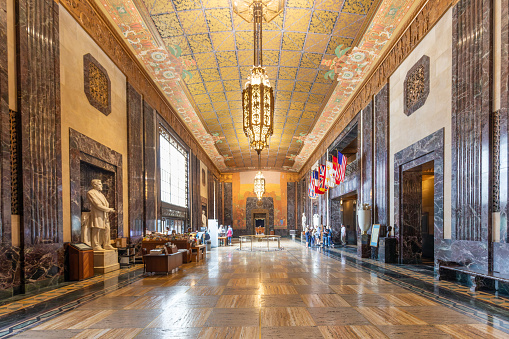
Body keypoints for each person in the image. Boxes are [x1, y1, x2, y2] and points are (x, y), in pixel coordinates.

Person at [87, 179, 116, 251]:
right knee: (97, 229)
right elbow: (97, 205)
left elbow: (105, 204)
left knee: (107, 229)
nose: (101, 185)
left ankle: (107, 244)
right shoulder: (91, 193)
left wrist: (108, 209)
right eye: (99, 184)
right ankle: (96, 245)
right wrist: (109, 209)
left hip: (105, 215)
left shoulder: (101, 194)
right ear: (94, 185)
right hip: (98, 214)